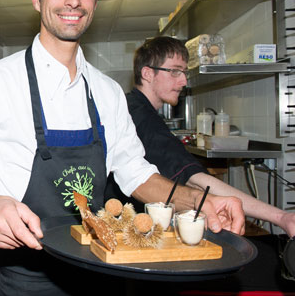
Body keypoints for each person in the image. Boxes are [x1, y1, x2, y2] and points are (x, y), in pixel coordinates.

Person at [0, 0, 245, 296]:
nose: (73, 0)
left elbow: (137, 174)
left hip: (101, 277)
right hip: (27, 285)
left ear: (95, 0)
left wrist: (202, 202)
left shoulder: (107, 91)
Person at [105, 36, 295, 237]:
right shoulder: (141, 117)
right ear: (147, 73)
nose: (184, 80)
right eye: (175, 71)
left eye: (184, 72)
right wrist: (281, 217)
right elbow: (195, 181)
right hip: (123, 228)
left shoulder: (133, 106)